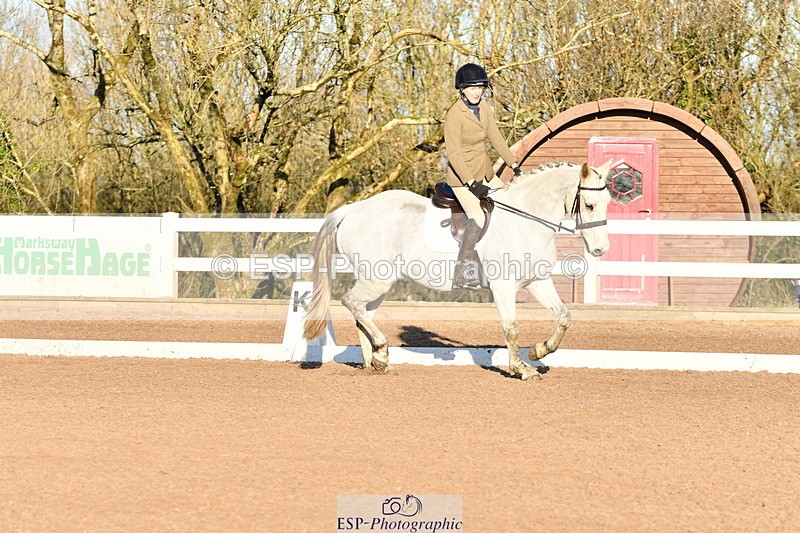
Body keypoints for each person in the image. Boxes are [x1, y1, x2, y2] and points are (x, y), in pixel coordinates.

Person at [444, 62, 522, 289]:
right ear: (462, 89)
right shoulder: (454, 115)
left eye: (480, 87)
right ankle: (462, 273)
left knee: (508, 203)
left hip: (485, 171)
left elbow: (496, 138)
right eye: (472, 88)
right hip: (462, 179)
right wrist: (471, 183)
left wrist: (513, 164)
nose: (477, 92)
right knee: (478, 217)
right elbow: (454, 154)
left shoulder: (485, 108)